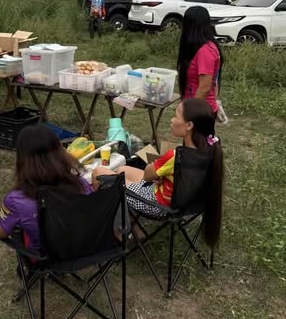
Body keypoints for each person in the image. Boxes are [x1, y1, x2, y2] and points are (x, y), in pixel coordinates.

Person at [92, 98, 223, 247]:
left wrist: (157, 169)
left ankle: (112, 234)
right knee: (122, 170)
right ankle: (137, 230)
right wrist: (163, 175)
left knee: (98, 172)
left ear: (189, 125)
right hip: (187, 204)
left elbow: (147, 175)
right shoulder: (210, 151)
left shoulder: (175, 157)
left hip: (158, 206)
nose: (172, 120)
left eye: (176, 116)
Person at [0, 124, 93, 252]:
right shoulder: (80, 184)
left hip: (47, 257)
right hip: (84, 249)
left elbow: (1, 232)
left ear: (22, 159)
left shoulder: (17, 200)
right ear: (60, 152)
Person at [176, 6, 223, 115]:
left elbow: (205, 87)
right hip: (194, 106)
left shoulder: (206, 51)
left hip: (200, 111)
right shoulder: (198, 48)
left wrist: (191, 113)